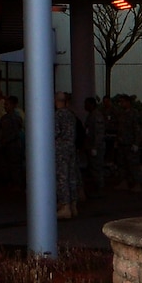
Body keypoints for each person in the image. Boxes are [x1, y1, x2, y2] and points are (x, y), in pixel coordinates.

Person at [53, 91, 79, 220]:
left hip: (60, 150)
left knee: (62, 178)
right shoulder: (71, 115)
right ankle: (73, 205)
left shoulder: (58, 115)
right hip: (71, 149)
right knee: (71, 176)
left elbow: (54, 133)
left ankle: (65, 206)